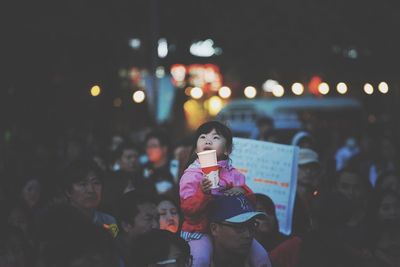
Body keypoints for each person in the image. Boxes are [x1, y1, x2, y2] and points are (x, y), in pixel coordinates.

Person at [179, 121, 268, 267]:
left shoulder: (233, 173)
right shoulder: (191, 176)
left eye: (215, 138)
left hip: (230, 231)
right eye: (203, 137)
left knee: (261, 257)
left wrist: (243, 192)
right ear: (196, 149)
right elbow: (188, 210)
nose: (208, 140)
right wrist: (203, 193)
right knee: (199, 260)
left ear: (227, 150)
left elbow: (250, 202)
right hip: (201, 231)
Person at [208, 195, 272, 267]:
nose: (248, 235)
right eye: (239, 227)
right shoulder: (197, 259)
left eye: (252, 225)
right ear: (214, 229)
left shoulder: (259, 260)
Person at [62, 159, 118, 237]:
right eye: (83, 184)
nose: (91, 190)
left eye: (96, 183)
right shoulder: (60, 223)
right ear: (68, 191)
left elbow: (114, 246)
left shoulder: (109, 221)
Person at [114, 191, 159, 264]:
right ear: (126, 225)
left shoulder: (157, 248)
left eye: (157, 218)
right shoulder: (110, 256)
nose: (156, 225)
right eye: (148, 219)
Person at [143, 130, 176, 195]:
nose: (149, 150)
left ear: (164, 148)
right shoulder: (144, 169)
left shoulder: (175, 167)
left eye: (154, 146)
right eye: (147, 147)